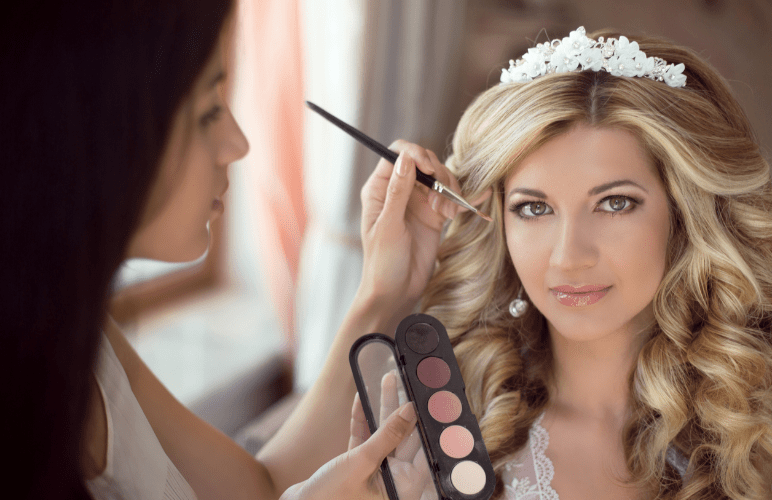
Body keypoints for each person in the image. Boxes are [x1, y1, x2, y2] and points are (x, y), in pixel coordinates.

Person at [1, 1, 459, 498]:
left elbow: (257, 486)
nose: (239, 144)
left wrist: (382, 292)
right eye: (208, 112)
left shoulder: (83, 338)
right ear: (98, 130)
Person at [356, 27, 772, 499]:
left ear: (683, 214)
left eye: (615, 204)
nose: (569, 258)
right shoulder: (430, 422)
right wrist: (380, 294)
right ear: (497, 220)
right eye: (534, 208)